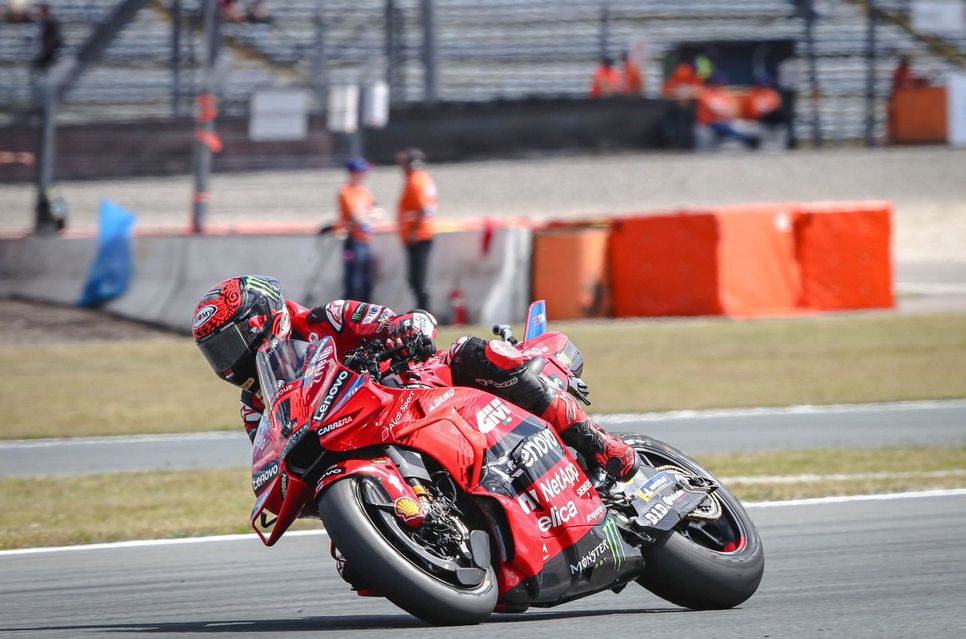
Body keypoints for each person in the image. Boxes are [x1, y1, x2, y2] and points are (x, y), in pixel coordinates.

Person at [191, 275, 637, 481]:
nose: (226, 362)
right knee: (352, 566)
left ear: (260, 321)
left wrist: (403, 332)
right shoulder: (256, 407)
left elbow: (403, 320)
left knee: (477, 353)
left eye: (228, 345)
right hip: (359, 444)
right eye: (215, 354)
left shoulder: (327, 319)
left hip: (418, 389)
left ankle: (598, 442)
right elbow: (278, 464)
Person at [396, 148, 436, 313]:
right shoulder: (424, 179)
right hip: (422, 233)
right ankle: (423, 309)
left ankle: (424, 311)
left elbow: (422, 209)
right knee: (417, 278)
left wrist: (413, 231)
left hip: (418, 236)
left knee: (417, 279)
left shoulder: (415, 182)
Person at [335, 158, 376, 302]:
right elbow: (356, 217)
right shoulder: (346, 191)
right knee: (353, 281)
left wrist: (366, 215)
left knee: (366, 280)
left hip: (365, 240)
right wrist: (367, 215)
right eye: (362, 172)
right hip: (353, 240)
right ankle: (350, 311)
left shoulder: (364, 191)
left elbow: (378, 212)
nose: (365, 175)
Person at [697, 75, 760, 150]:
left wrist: (725, 112)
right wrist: (724, 112)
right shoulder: (705, 94)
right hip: (710, 123)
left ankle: (748, 139)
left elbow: (731, 109)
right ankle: (747, 139)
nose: (720, 86)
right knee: (726, 128)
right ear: (711, 84)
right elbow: (715, 109)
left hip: (724, 121)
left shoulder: (721, 94)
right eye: (718, 84)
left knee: (733, 126)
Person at [32, 4, 63, 72]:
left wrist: (46, 51)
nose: (38, 14)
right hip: (42, 52)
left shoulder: (51, 23)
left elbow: (57, 39)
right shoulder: (42, 22)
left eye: (39, 12)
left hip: (48, 53)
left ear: (44, 12)